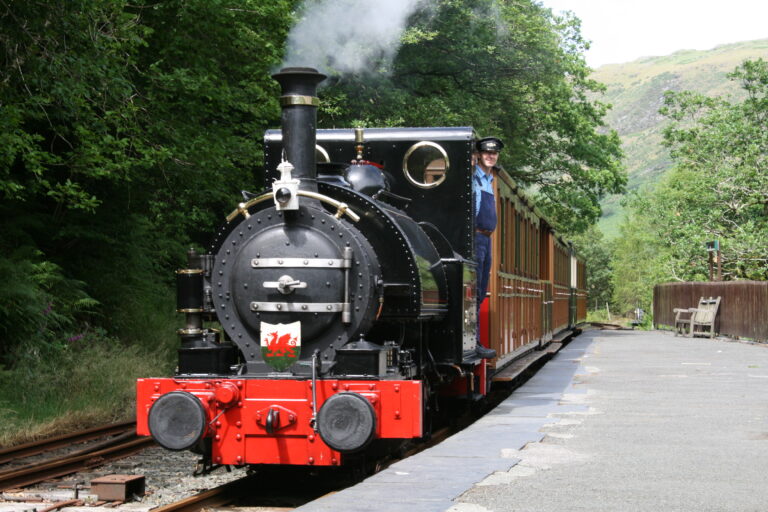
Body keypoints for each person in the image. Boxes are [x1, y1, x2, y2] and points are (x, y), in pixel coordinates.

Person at [472, 136, 503, 359]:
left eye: (494, 153)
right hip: (475, 237)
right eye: (487, 153)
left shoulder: (489, 179)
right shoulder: (473, 177)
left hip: (486, 238)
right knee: (473, 291)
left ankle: (475, 340)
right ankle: (472, 341)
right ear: (479, 155)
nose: (491, 156)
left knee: (481, 290)